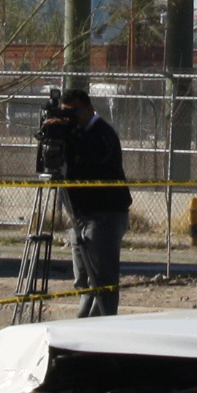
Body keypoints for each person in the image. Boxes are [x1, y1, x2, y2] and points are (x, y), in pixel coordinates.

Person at [53, 86, 133, 317]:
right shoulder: (71, 135)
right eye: (66, 113)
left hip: (105, 216)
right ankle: (84, 323)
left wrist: (72, 133)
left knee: (102, 279)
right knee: (84, 279)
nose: (70, 118)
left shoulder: (102, 133)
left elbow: (95, 157)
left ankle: (103, 324)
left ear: (89, 109)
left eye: (74, 112)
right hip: (80, 216)